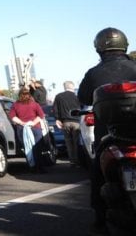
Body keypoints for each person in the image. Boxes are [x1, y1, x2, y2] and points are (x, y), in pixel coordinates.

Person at [78, 27, 136, 235]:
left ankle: (100, 219)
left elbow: (83, 98)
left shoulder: (93, 73)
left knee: (98, 172)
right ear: (124, 44)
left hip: (110, 133)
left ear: (99, 48)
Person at [9, 87, 48, 173]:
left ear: (19, 95)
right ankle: (40, 167)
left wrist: (22, 123)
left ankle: (32, 167)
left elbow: (12, 117)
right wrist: (33, 123)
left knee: (27, 148)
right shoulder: (35, 104)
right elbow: (41, 115)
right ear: (29, 95)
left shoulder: (15, 105)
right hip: (35, 129)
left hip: (22, 130)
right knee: (37, 148)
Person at [52, 80, 81, 166]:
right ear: (72, 87)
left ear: (64, 87)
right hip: (76, 122)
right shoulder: (77, 97)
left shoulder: (59, 96)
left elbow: (55, 109)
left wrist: (57, 119)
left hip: (65, 122)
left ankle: (72, 161)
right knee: (77, 142)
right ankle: (78, 160)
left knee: (68, 142)